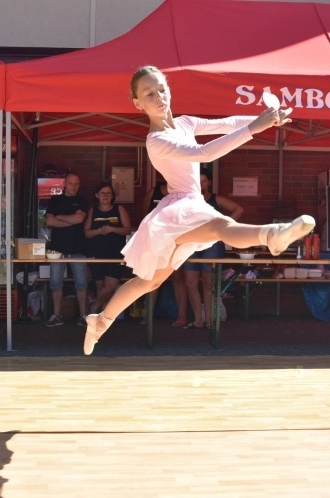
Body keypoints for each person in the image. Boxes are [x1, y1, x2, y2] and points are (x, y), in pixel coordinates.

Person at [83, 65, 314, 355]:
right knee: (215, 230)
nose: (159, 97)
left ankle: (100, 320)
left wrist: (264, 121)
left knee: (150, 280)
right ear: (138, 104)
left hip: (188, 203)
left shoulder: (185, 123)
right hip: (179, 207)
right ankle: (273, 235)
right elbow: (203, 154)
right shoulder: (156, 141)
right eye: (149, 94)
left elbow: (228, 123)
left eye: (162, 89)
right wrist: (255, 127)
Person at [183, 168, 244, 330]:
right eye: (198, 180)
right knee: (190, 282)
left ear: (209, 182)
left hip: (212, 243)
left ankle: (209, 321)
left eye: (204, 180)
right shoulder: (188, 200)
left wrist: (224, 226)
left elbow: (239, 209)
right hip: (191, 242)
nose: (201, 183)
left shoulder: (216, 199)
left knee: (208, 284)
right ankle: (198, 320)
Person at [140, 177, 189, 327]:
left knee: (177, 277)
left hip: (176, 240)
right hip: (155, 240)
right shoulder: (153, 192)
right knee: (152, 278)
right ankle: (149, 316)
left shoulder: (183, 194)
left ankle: (182, 317)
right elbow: (144, 214)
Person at [45, 171, 90, 327]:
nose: (73, 186)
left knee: (82, 284)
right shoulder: (55, 200)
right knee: (56, 284)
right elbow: (49, 222)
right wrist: (71, 220)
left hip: (78, 248)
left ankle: (83, 315)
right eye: (70, 183)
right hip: (57, 250)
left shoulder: (82, 201)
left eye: (76, 183)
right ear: (64, 184)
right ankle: (56, 316)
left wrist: (59, 216)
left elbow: (80, 219)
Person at [84, 182, 132, 315]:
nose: (105, 196)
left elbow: (127, 230)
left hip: (115, 254)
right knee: (100, 286)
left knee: (110, 285)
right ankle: (102, 315)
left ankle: (94, 306)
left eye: (108, 193)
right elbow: (86, 233)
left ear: (112, 196)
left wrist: (113, 229)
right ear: (97, 195)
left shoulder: (119, 209)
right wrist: (99, 231)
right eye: (102, 193)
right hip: (96, 253)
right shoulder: (92, 211)